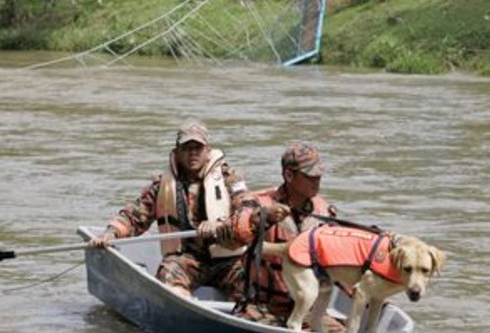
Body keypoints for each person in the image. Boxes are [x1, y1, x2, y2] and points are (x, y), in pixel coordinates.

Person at [90, 121, 249, 298]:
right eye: (187, 148)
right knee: (168, 276)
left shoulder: (230, 179)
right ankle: (184, 313)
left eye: (198, 148)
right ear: (177, 152)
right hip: (186, 259)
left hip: (227, 260)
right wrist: (112, 233)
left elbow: (248, 212)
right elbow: (135, 215)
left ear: (208, 151)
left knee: (252, 282)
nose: (193, 153)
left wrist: (220, 225)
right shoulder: (162, 185)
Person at [219, 142, 338, 327]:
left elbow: (337, 264)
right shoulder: (258, 203)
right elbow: (231, 239)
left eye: (319, 175)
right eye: (310, 176)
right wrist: (263, 219)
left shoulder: (325, 212)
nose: (317, 180)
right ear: (289, 175)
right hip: (261, 307)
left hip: (305, 308)